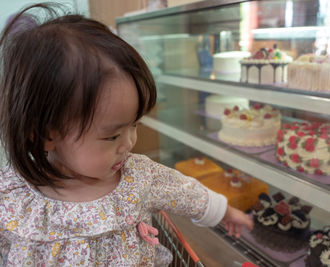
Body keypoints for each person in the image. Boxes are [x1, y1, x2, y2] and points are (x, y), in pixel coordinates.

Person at [0, 3, 253, 266]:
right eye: (112, 136)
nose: (129, 143)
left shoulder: (139, 177)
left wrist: (224, 212)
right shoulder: (10, 198)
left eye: (134, 125)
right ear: (44, 134)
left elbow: (187, 193)